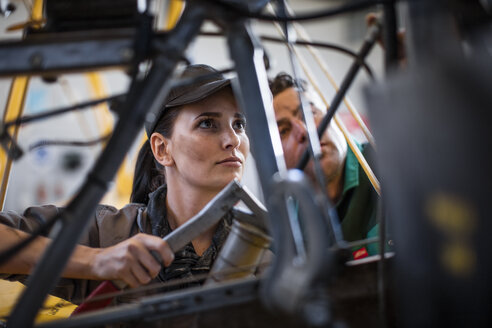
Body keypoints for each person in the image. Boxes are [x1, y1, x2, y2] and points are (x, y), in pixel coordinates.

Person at [0, 64, 250, 301]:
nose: (233, 140)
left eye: (239, 124)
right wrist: (97, 262)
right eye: (207, 123)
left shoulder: (264, 247)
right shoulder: (107, 234)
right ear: (162, 149)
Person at [270, 73, 380, 258]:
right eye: (283, 130)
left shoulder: (393, 162)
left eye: (309, 113)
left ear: (333, 114)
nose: (304, 131)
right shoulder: (287, 228)